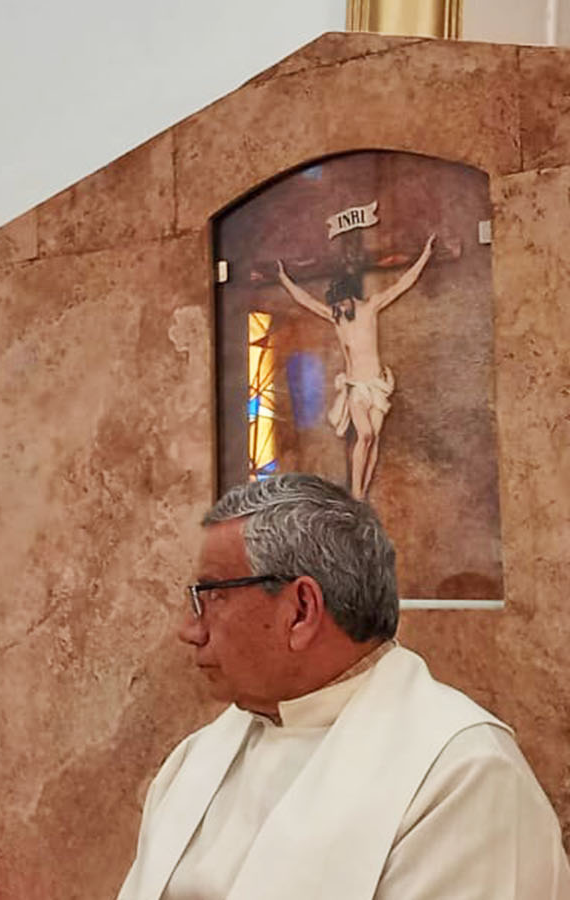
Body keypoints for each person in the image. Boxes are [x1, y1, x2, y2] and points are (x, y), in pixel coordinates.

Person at [116, 474, 570, 899]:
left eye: (212, 596)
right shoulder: (199, 757)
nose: (189, 630)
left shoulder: (465, 777)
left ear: (301, 611)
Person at [275, 235, 434, 499]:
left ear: (351, 297)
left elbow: (402, 284)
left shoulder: (370, 307)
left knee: (374, 439)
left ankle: (362, 496)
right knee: (365, 434)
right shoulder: (337, 317)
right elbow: (307, 301)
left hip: (377, 385)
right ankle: (356, 493)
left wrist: (425, 255)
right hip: (356, 387)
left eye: (341, 303)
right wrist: (284, 279)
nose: (338, 308)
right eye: (336, 305)